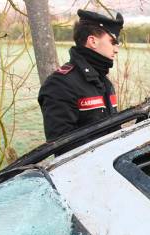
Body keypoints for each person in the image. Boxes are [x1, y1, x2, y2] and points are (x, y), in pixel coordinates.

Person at [38, 9, 123, 141]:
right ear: (92, 41)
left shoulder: (104, 82)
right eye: (112, 42)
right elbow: (62, 146)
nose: (116, 49)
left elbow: (115, 132)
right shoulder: (60, 84)